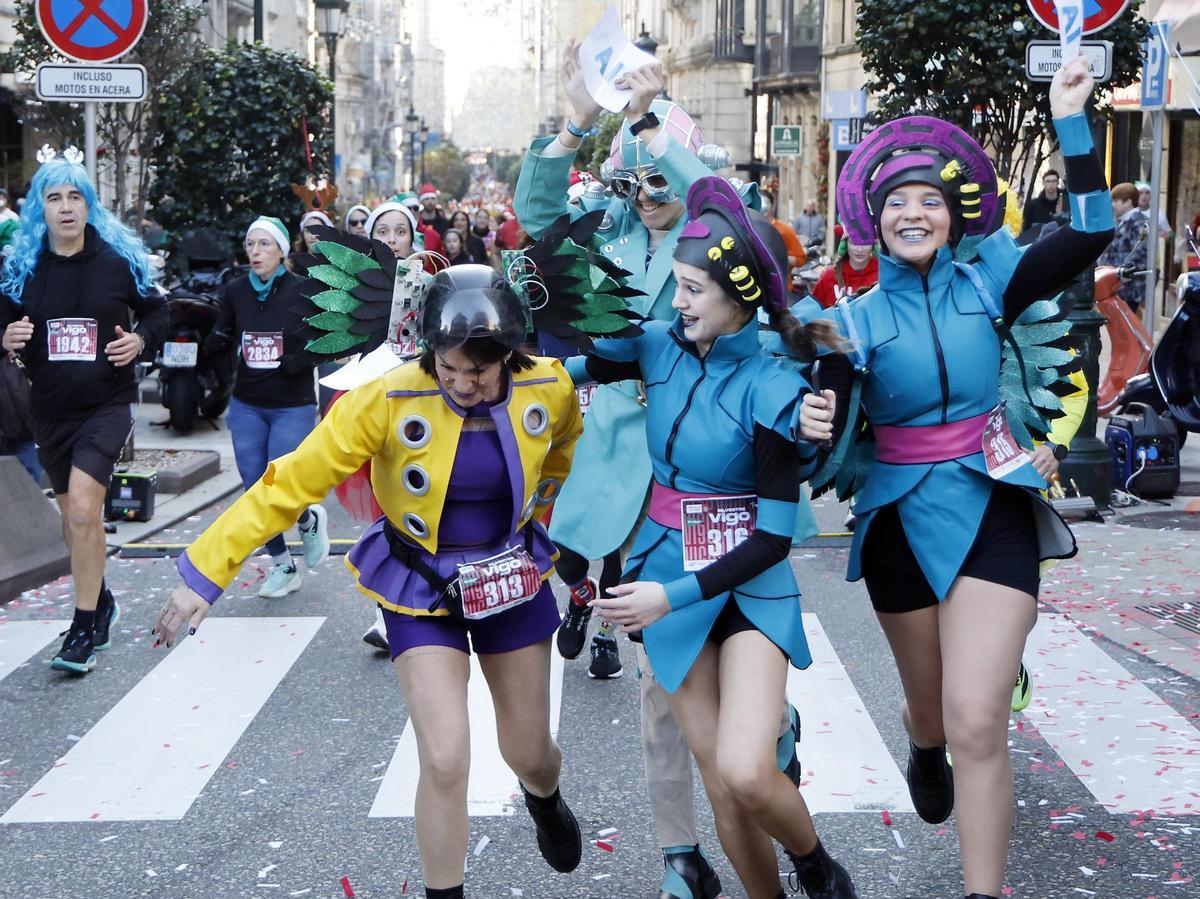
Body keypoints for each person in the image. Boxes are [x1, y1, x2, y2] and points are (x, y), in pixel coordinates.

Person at [154, 265, 587, 899]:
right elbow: (289, 481)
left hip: (508, 578)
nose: (465, 384)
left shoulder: (548, 387)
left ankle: (545, 800)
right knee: (444, 760)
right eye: (450, 369)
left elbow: (563, 447)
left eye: (481, 371)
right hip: (421, 584)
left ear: (510, 356)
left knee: (529, 753)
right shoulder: (382, 399)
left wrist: (542, 520)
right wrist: (204, 573)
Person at [515, 45, 807, 899]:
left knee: (731, 660)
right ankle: (680, 850)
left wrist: (654, 117)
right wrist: (576, 119)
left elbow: (741, 210)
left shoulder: (711, 243)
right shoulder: (603, 240)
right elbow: (537, 219)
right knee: (657, 682)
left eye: (661, 181)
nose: (648, 195)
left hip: (721, 473)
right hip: (626, 482)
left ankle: (772, 723)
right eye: (634, 183)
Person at [822, 56, 1111, 899]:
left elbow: (1090, 228)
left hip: (994, 503)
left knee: (981, 719)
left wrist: (1070, 120)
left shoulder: (994, 283)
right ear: (874, 222)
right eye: (898, 201)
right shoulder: (849, 323)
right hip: (898, 526)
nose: (915, 212)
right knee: (937, 714)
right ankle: (920, 742)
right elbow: (818, 428)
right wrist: (812, 417)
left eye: (931, 200)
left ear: (954, 217)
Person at [574, 176, 855, 899]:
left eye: (694, 289)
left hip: (743, 587)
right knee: (722, 788)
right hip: (666, 575)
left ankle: (817, 864)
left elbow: (772, 540)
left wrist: (669, 596)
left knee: (743, 768)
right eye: (677, 285)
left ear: (739, 299)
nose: (680, 302)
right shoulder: (655, 348)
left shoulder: (772, 388)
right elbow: (560, 363)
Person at [0, 151, 168, 674]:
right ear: (40, 211)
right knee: (78, 523)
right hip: (49, 411)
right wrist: (5, 337)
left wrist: (140, 340)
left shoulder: (116, 262)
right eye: (54, 198)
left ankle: (83, 627)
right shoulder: (22, 270)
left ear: (88, 206)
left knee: (81, 511)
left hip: (106, 405)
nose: (66, 208)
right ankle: (103, 598)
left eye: (76, 197)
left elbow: (161, 310)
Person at [203, 215, 330, 598]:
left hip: (291, 403)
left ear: (281, 251)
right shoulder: (235, 291)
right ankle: (282, 564)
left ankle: (307, 519)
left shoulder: (303, 291)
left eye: (264, 245)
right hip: (248, 403)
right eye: (250, 245)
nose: (255, 252)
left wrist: (295, 360)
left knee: (280, 483)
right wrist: (209, 347)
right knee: (254, 487)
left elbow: (321, 341)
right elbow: (223, 335)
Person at [1098, 182, 1148, 312]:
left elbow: (1141, 254)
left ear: (1128, 202)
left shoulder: (1139, 223)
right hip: (1113, 286)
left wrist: (1120, 273)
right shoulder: (1118, 221)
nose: (1112, 205)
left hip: (1128, 289)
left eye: (1116, 201)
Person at [811, 227, 879, 309]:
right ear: (845, 244)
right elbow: (815, 312)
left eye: (865, 242)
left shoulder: (883, 275)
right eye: (854, 242)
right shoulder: (828, 276)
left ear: (873, 246)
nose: (859, 249)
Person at [759, 188, 807, 277]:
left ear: (773, 206)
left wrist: (781, 258)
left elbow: (800, 259)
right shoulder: (746, 229)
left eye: (766, 203)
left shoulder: (785, 230)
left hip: (781, 286)